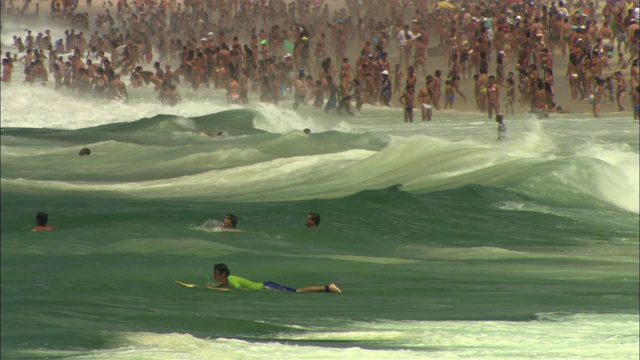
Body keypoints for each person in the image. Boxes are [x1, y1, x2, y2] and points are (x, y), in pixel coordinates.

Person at [212, 263, 341, 293]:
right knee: (298, 291)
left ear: (223, 274)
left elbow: (241, 291)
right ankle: (327, 289)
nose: (214, 275)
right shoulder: (228, 281)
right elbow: (217, 287)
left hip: (268, 287)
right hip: (267, 285)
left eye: (216, 273)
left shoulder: (232, 280)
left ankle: (328, 288)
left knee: (298, 292)